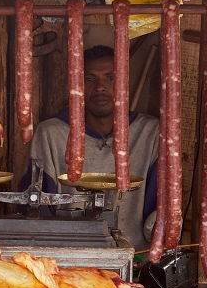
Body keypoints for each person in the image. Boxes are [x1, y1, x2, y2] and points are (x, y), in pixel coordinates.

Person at [27, 45, 159, 250]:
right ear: (76, 86)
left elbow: (159, 208)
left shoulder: (150, 132)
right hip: (69, 254)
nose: (100, 87)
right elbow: (37, 206)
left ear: (125, 83)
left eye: (110, 77)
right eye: (89, 79)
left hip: (134, 253)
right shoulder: (52, 133)